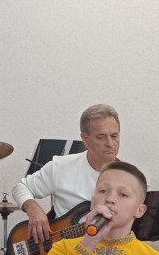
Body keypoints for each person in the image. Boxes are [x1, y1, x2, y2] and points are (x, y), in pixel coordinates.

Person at [15, 104, 122, 245]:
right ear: (85, 139)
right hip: (61, 251)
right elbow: (21, 188)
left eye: (114, 136)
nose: (110, 143)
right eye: (101, 137)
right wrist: (33, 209)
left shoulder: (131, 180)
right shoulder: (61, 166)